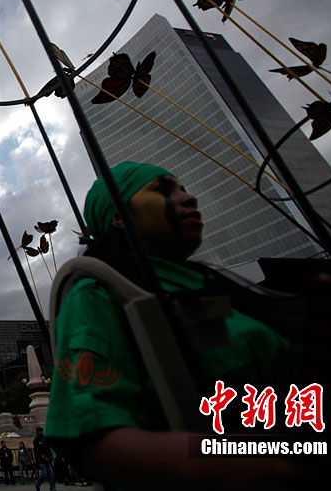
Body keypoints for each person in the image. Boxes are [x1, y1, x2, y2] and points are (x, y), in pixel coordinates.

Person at [45, 161, 297, 489]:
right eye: (164, 190)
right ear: (118, 216)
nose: (189, 198)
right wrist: (255, 461)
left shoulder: (211, 281)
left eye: (184, 188)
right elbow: (93, 437)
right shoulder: (99, 292)